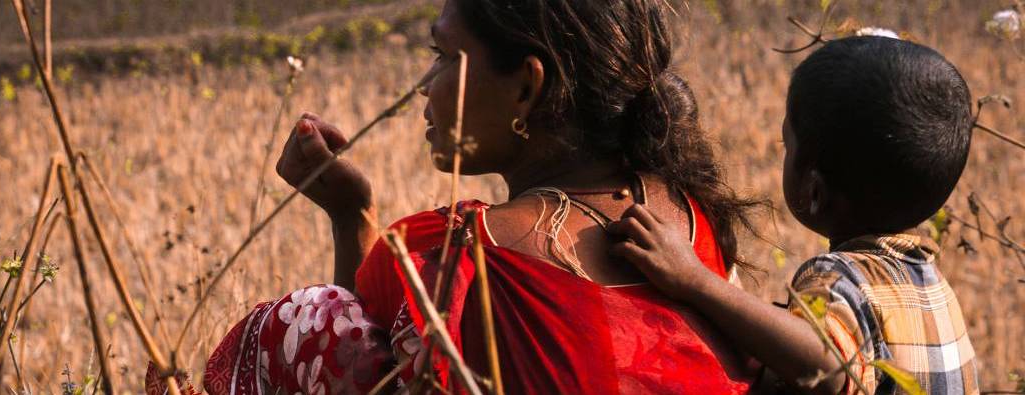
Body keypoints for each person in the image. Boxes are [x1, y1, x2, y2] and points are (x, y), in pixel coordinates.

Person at [152, 0, 770, 394]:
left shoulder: (458, 251)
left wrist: (351, 215)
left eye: (444, 56)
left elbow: (366, 348)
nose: (425, 86)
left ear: (526, 89)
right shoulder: (690, 215)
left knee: (310, 324)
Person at [608, 36, 979, 394]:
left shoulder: (841, 278)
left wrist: (696, 280)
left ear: (815, 193)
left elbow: (828, 364)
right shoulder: (934, 290)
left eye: (787, 144)